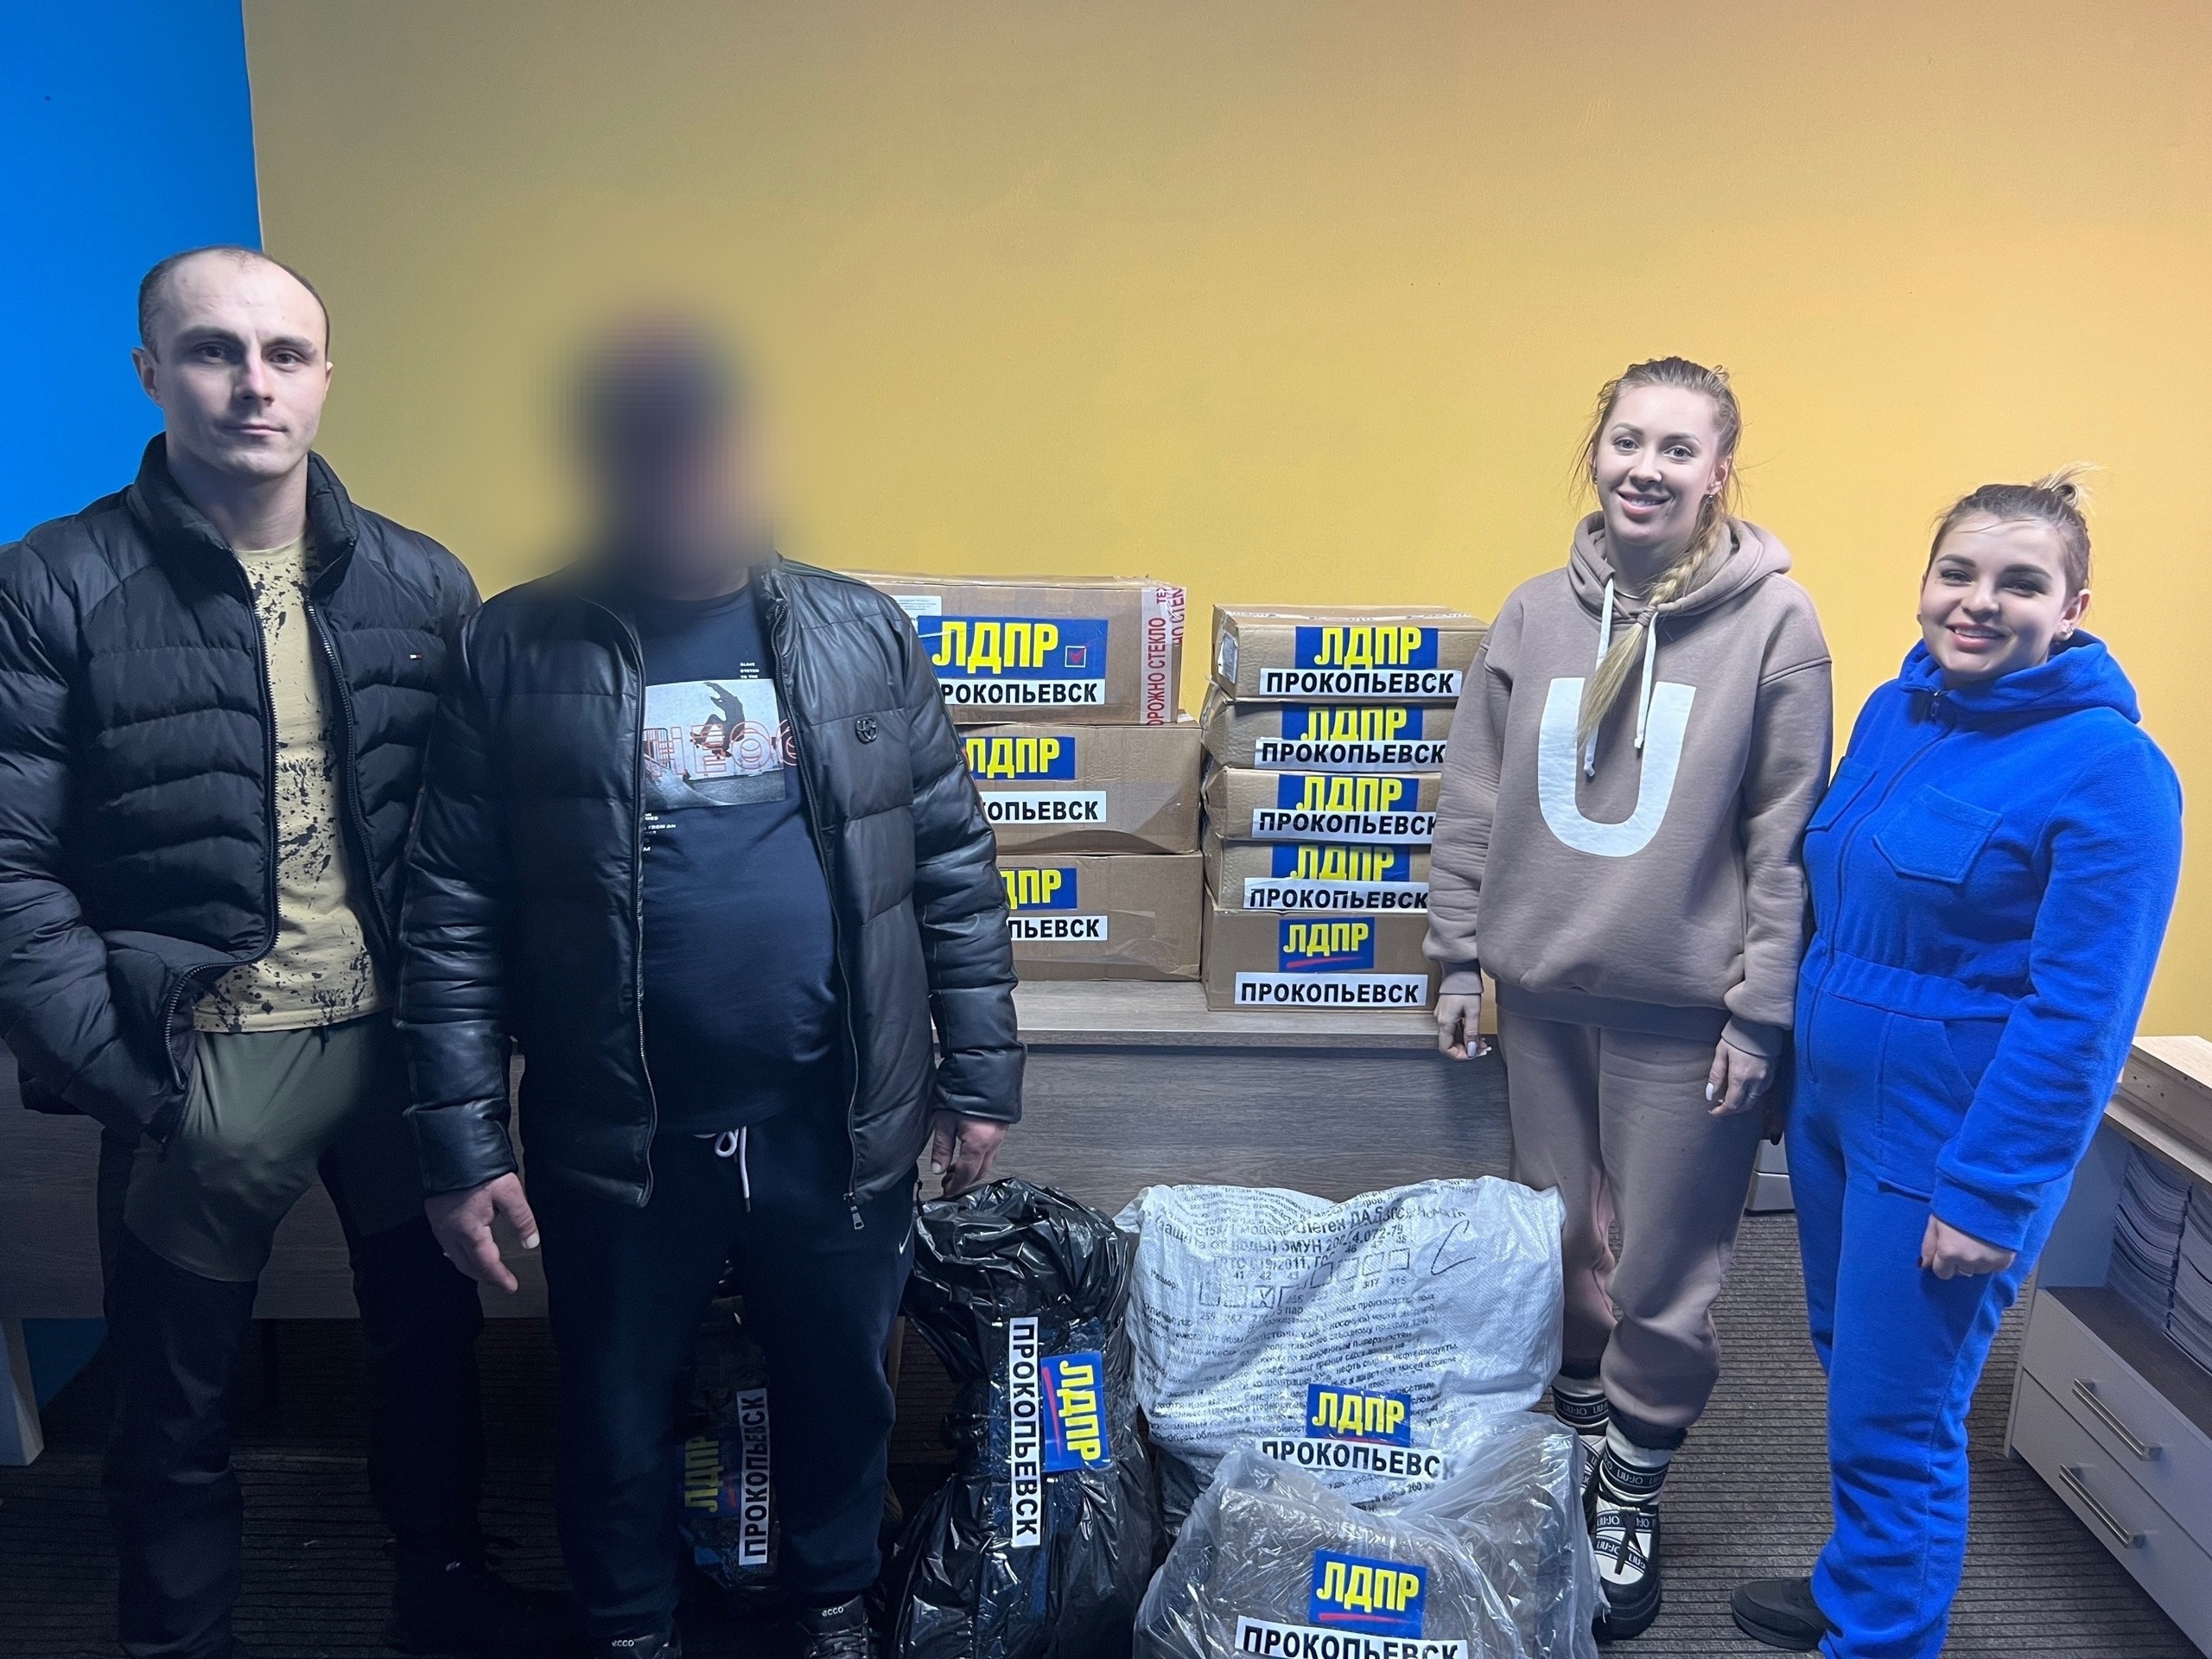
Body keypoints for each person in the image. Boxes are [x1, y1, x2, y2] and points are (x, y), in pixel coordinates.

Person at [397, 321, 1023, 1659]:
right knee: (613, 1406)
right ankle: (629, 1626)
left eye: (706, 443)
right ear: (606, 463)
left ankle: (832, 1601)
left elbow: (953, 867)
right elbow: (450, 911)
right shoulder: (514, 646)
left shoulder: (863, 633)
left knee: (841, 1389)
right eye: (651, 446)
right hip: (622, 1138)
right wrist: (462, 1146)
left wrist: (978, 1074)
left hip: (833, 1120)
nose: (685, 473)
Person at [0, 246, 568, 1658]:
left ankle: (444, 1593)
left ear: (324, 377)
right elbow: (8, 864)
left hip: (398, 1051)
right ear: (151, 372)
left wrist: (475, 1042)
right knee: (172, 1397)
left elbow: (473, 848)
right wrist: (132, 1073)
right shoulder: (54, 583)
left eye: (285, 355)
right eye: (212, 350)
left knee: (430, 1346)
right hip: (198, 1059)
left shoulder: (423, 582)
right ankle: (177, 1640)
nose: (252, 384)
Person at [1732, 472, 2182, 1658]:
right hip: (1835, 1115)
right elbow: (1838, 906)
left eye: (2020, 583)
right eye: (1959, 573)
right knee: (1857, 1370)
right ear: (1927, 583)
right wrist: (1786, 1068)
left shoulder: (2112, 771)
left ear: (2072, 609)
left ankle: (1882, 1639)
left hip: (1947, 1137)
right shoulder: (1898, 711)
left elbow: (2081, 1018)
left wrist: (1991, 1193)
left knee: (1902, 1413)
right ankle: (1864, 1585)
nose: (1980, 602)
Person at [1427, 356, 1833, 1638]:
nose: (1645, 468)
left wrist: (1762, 1011)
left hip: (1688, 1015)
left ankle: (1632, 1485)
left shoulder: (1779, 626)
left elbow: (1786, 835)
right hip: (1543, 998)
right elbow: (1475, 793)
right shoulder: (1534, 613)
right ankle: (1577, 1449)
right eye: (1626, 441)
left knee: (1663, 1270)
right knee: (1558, 1248)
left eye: (1677, 449)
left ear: (1720, 473)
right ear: (1595, 452)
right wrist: (1456, 954)